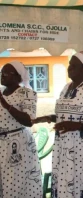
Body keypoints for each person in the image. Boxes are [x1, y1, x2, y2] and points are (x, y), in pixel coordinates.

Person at [32, 51, 83, 198]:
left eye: (74, 66)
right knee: (66, 186)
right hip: (65, 147)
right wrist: (48, 117)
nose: (69, 68)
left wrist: (77, 126)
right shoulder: (65, 88)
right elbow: (66, 116)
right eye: (70, 65)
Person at [0, 61, 42, 197]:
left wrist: (6, 104)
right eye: (1, 72)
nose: (2, 75)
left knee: (15, 183)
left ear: (18, 76)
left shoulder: (27, 93)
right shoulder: (1, 92)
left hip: (18, 145)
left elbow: (29, 121)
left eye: (6, 73)